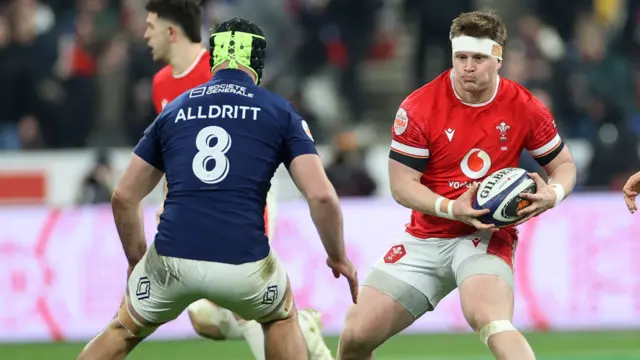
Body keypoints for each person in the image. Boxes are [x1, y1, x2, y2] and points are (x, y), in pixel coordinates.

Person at [77, 16, 358, 360]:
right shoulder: (279, 111)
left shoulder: (175, 109)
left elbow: (123, 196)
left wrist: (137, 261)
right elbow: (321, 195)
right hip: (243, 258)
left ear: (212, 58)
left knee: (122, 331)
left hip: (171, 256)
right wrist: (338, 256)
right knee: (280, 316)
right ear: (259, 62)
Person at [337, 10, 577, 360]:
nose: (467, 66)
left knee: (490, 319)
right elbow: (402, 185)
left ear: (498, 59)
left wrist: (552, 194)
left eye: (478, 58)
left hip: (484, 235)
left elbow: (564, 166)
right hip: (428, 234)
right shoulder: (418, 107)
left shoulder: (525, 106)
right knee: (356, 336)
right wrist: (451, 207)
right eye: (460, 57)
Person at [143, 1, 335, 359]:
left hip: (246, 200)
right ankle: (301, 327)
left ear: (171, 30)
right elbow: (177, 155)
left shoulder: (219, 71)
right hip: (196, 208)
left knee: (247, 300)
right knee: (204, 318)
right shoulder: (161, 84)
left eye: (150, 25)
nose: (144, 34)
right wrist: (168, 201)